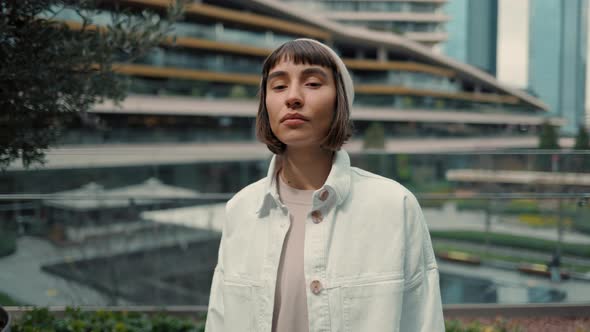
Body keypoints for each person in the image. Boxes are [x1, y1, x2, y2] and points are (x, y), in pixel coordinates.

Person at [205, 38, 444, 332]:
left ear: (340, 101)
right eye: (278, 86)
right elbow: (219, 321)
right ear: (266, 104)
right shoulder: (241, 210)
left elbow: (423, 321)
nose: (292, 97)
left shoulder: (395, 206)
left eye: (313, 83)